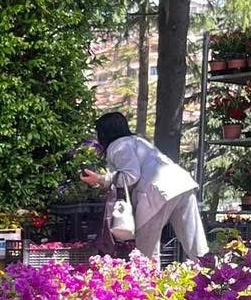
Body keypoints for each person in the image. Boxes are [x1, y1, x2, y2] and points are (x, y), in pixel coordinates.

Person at [82, 111, 209, 263]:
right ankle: (211, 278)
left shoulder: (118, 146)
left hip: (158, 191)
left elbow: (130, 176)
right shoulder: (138, 141)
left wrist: (102, 179)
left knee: (146, 249)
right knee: (195, 241)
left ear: (104, 132)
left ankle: (147, 283)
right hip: (182, 184)